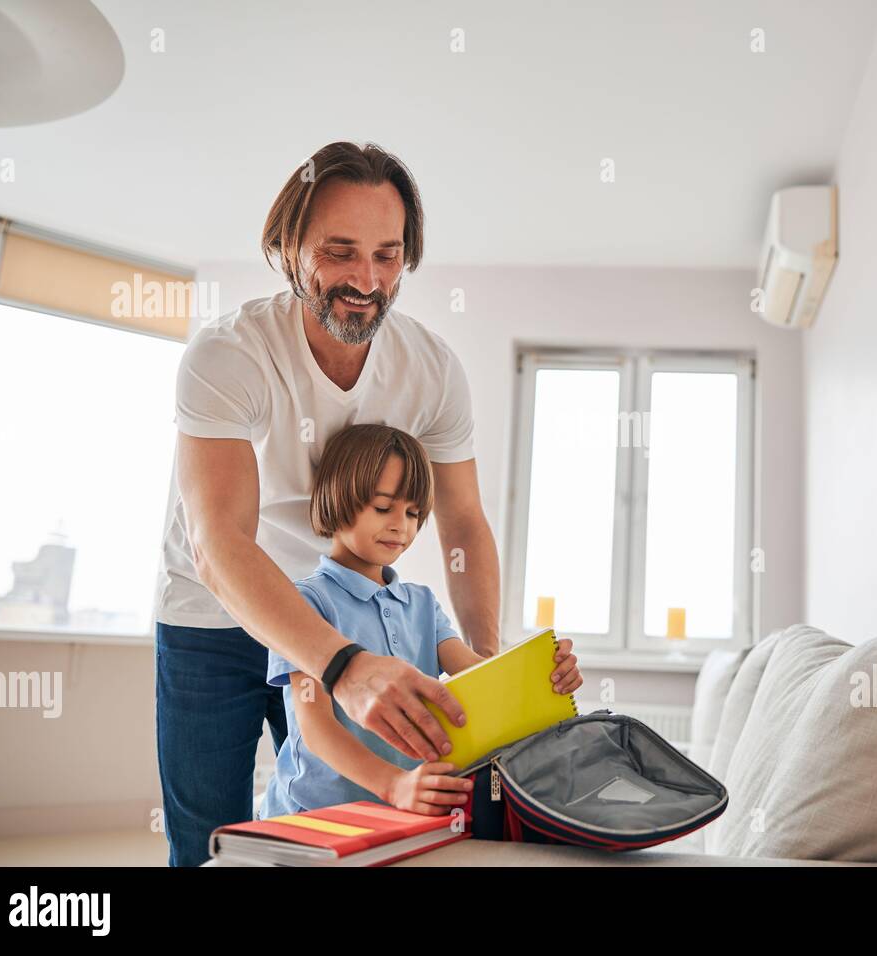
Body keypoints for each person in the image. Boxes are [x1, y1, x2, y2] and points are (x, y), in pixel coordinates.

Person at [155, 141, 502, 865]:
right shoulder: (230, 356)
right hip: (212, 613)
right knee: (206, 840)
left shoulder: (432, 371)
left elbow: (464, 523)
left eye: (387, 254)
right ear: (288, 249)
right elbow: (218, 543)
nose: (366, 280)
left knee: (332, 825)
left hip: (333, 609)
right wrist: (341, 666)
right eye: (339, 252)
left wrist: (491, 674)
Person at [260, 424, 582, 818]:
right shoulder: (306, 602)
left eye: (413, 513)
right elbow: (317, 731)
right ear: (337, 500)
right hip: (314, 815)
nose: (402, 525)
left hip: (401, 812)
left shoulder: (422, 604)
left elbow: (479, 675)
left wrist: (544, 676)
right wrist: (392, 784)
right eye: (383, 508)